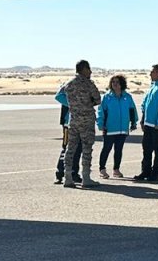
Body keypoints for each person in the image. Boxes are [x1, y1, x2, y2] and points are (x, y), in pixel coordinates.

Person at [62, 60, 103, 188]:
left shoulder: (68, 84)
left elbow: (64, 98)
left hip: (73, 120)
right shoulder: (88, 84)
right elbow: (97, 99)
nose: (90, 72)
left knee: (70, 148)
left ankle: (67, 176)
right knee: (86, 148)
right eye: (88, 69)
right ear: (83, 69)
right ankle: (86, 177)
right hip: (86, 120)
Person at [97, 75, 137, 179]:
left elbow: (132, 110)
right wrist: (101, 124)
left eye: (117, 82)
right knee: (106, 149)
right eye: (113, 82)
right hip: (109, 128)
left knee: (119, 150)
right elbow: (101, 111)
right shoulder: (107, 97)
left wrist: (133, 122)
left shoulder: (127, 97)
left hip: (123, 129)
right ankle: (102, 169)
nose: (115, 84)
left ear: (122, 84)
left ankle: (116, 169)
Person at [53, 85, 81, 185]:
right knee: (66, 148)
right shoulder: (68, 84)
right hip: (68, 124)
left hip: (81, 123)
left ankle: (74, 173)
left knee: (78, 149)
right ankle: (59, 173)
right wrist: (73, 104)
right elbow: (58, 96)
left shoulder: (86, 85)